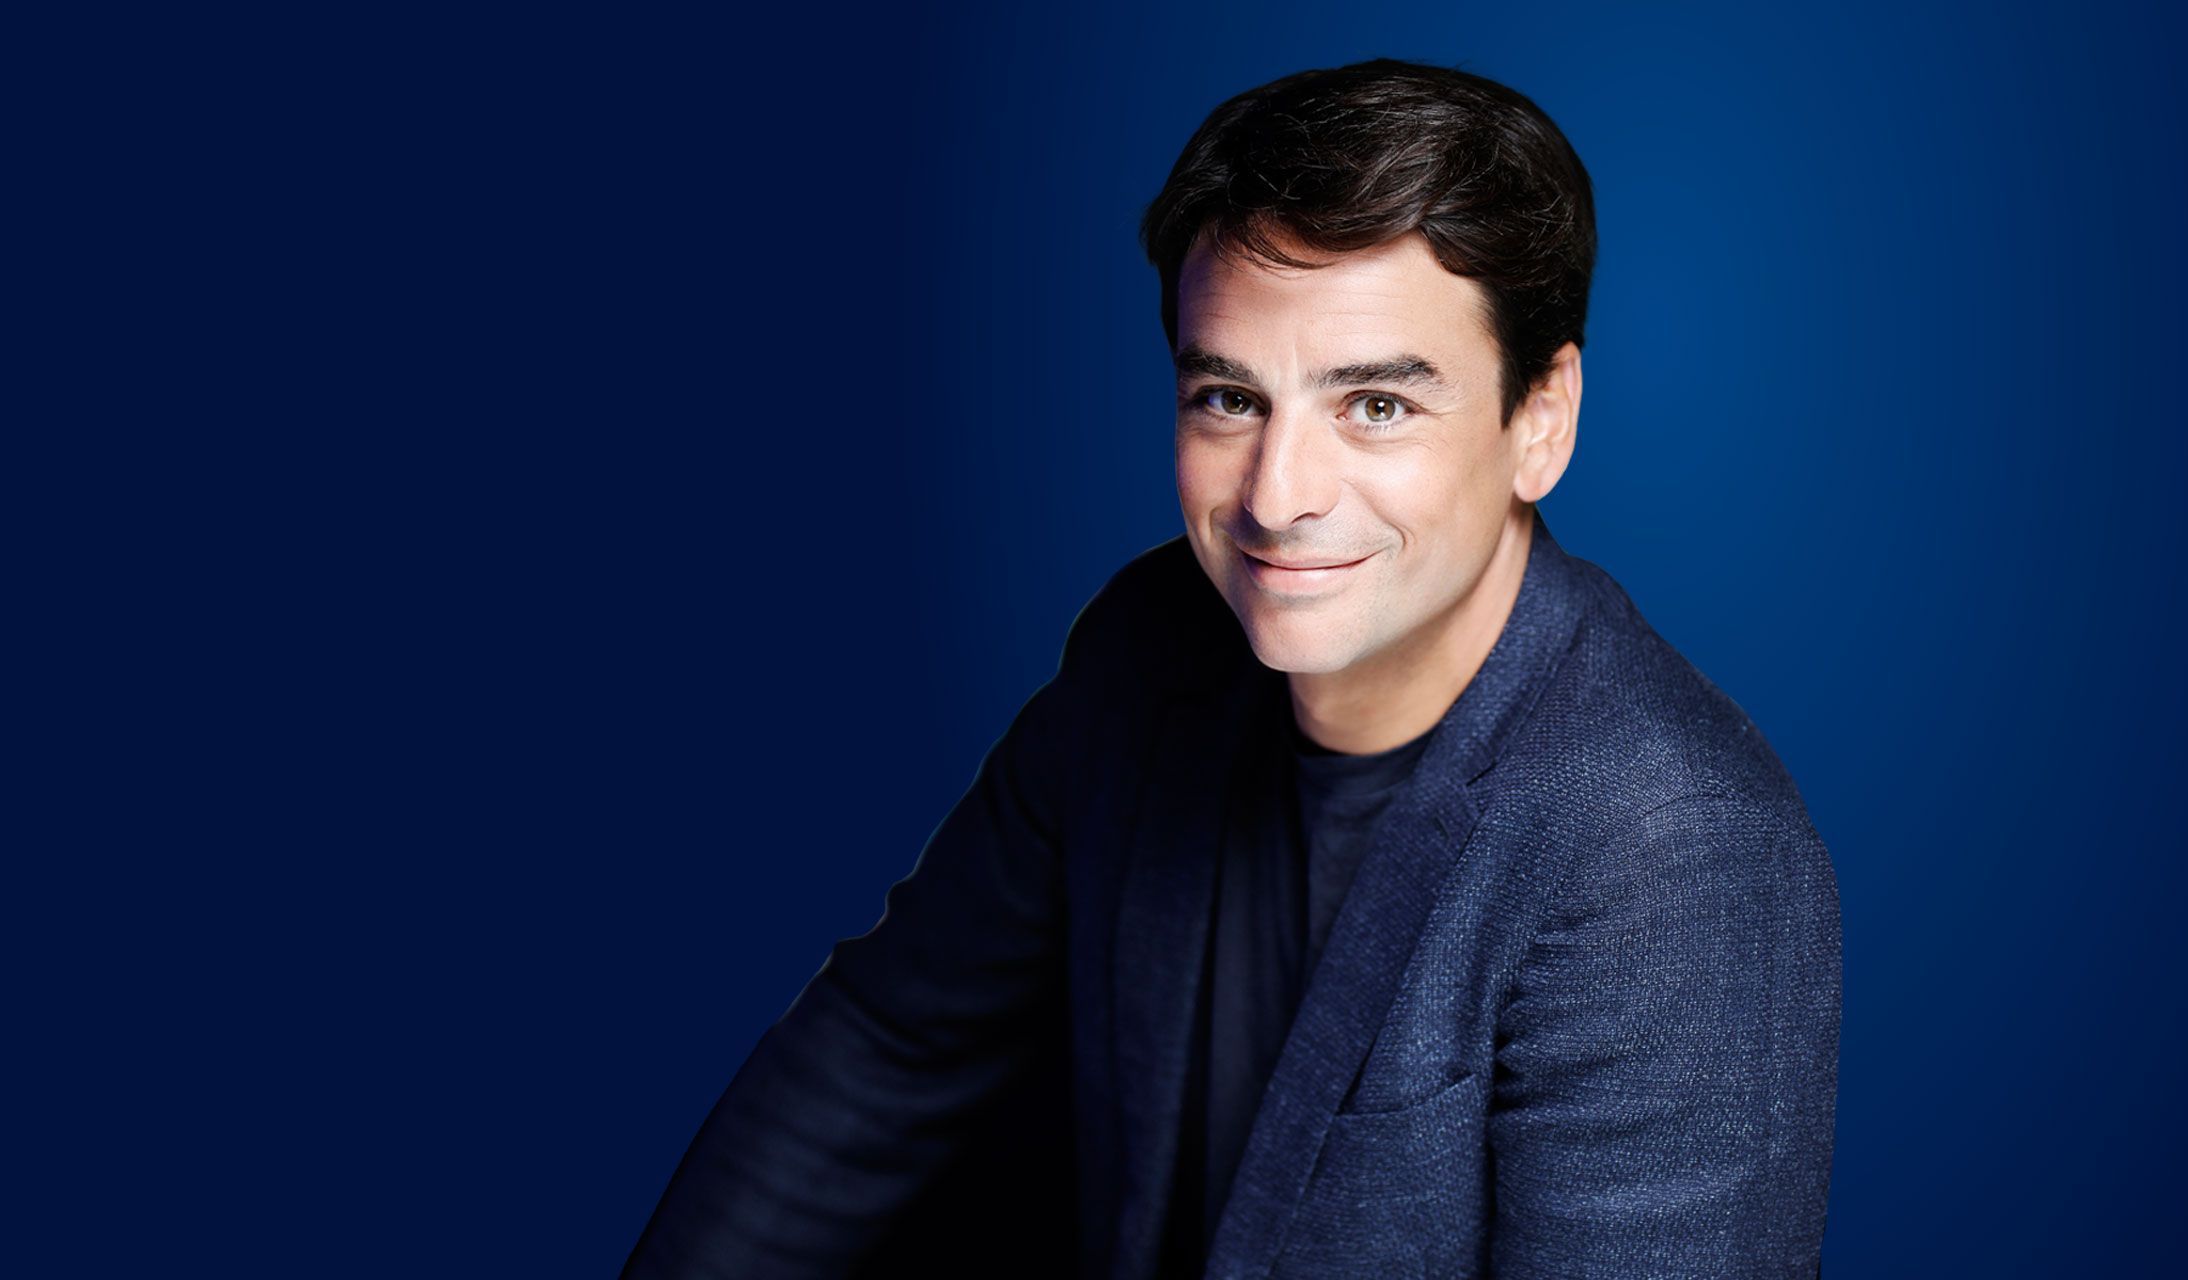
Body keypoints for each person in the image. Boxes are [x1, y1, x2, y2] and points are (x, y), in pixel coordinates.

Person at [624, 57, 1840, 1279]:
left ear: (1542, 419)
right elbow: (886, 1046)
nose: (1276, 496)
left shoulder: (1673, 845)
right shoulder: (1147, 650)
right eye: (1229, 398)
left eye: (1375, 405)